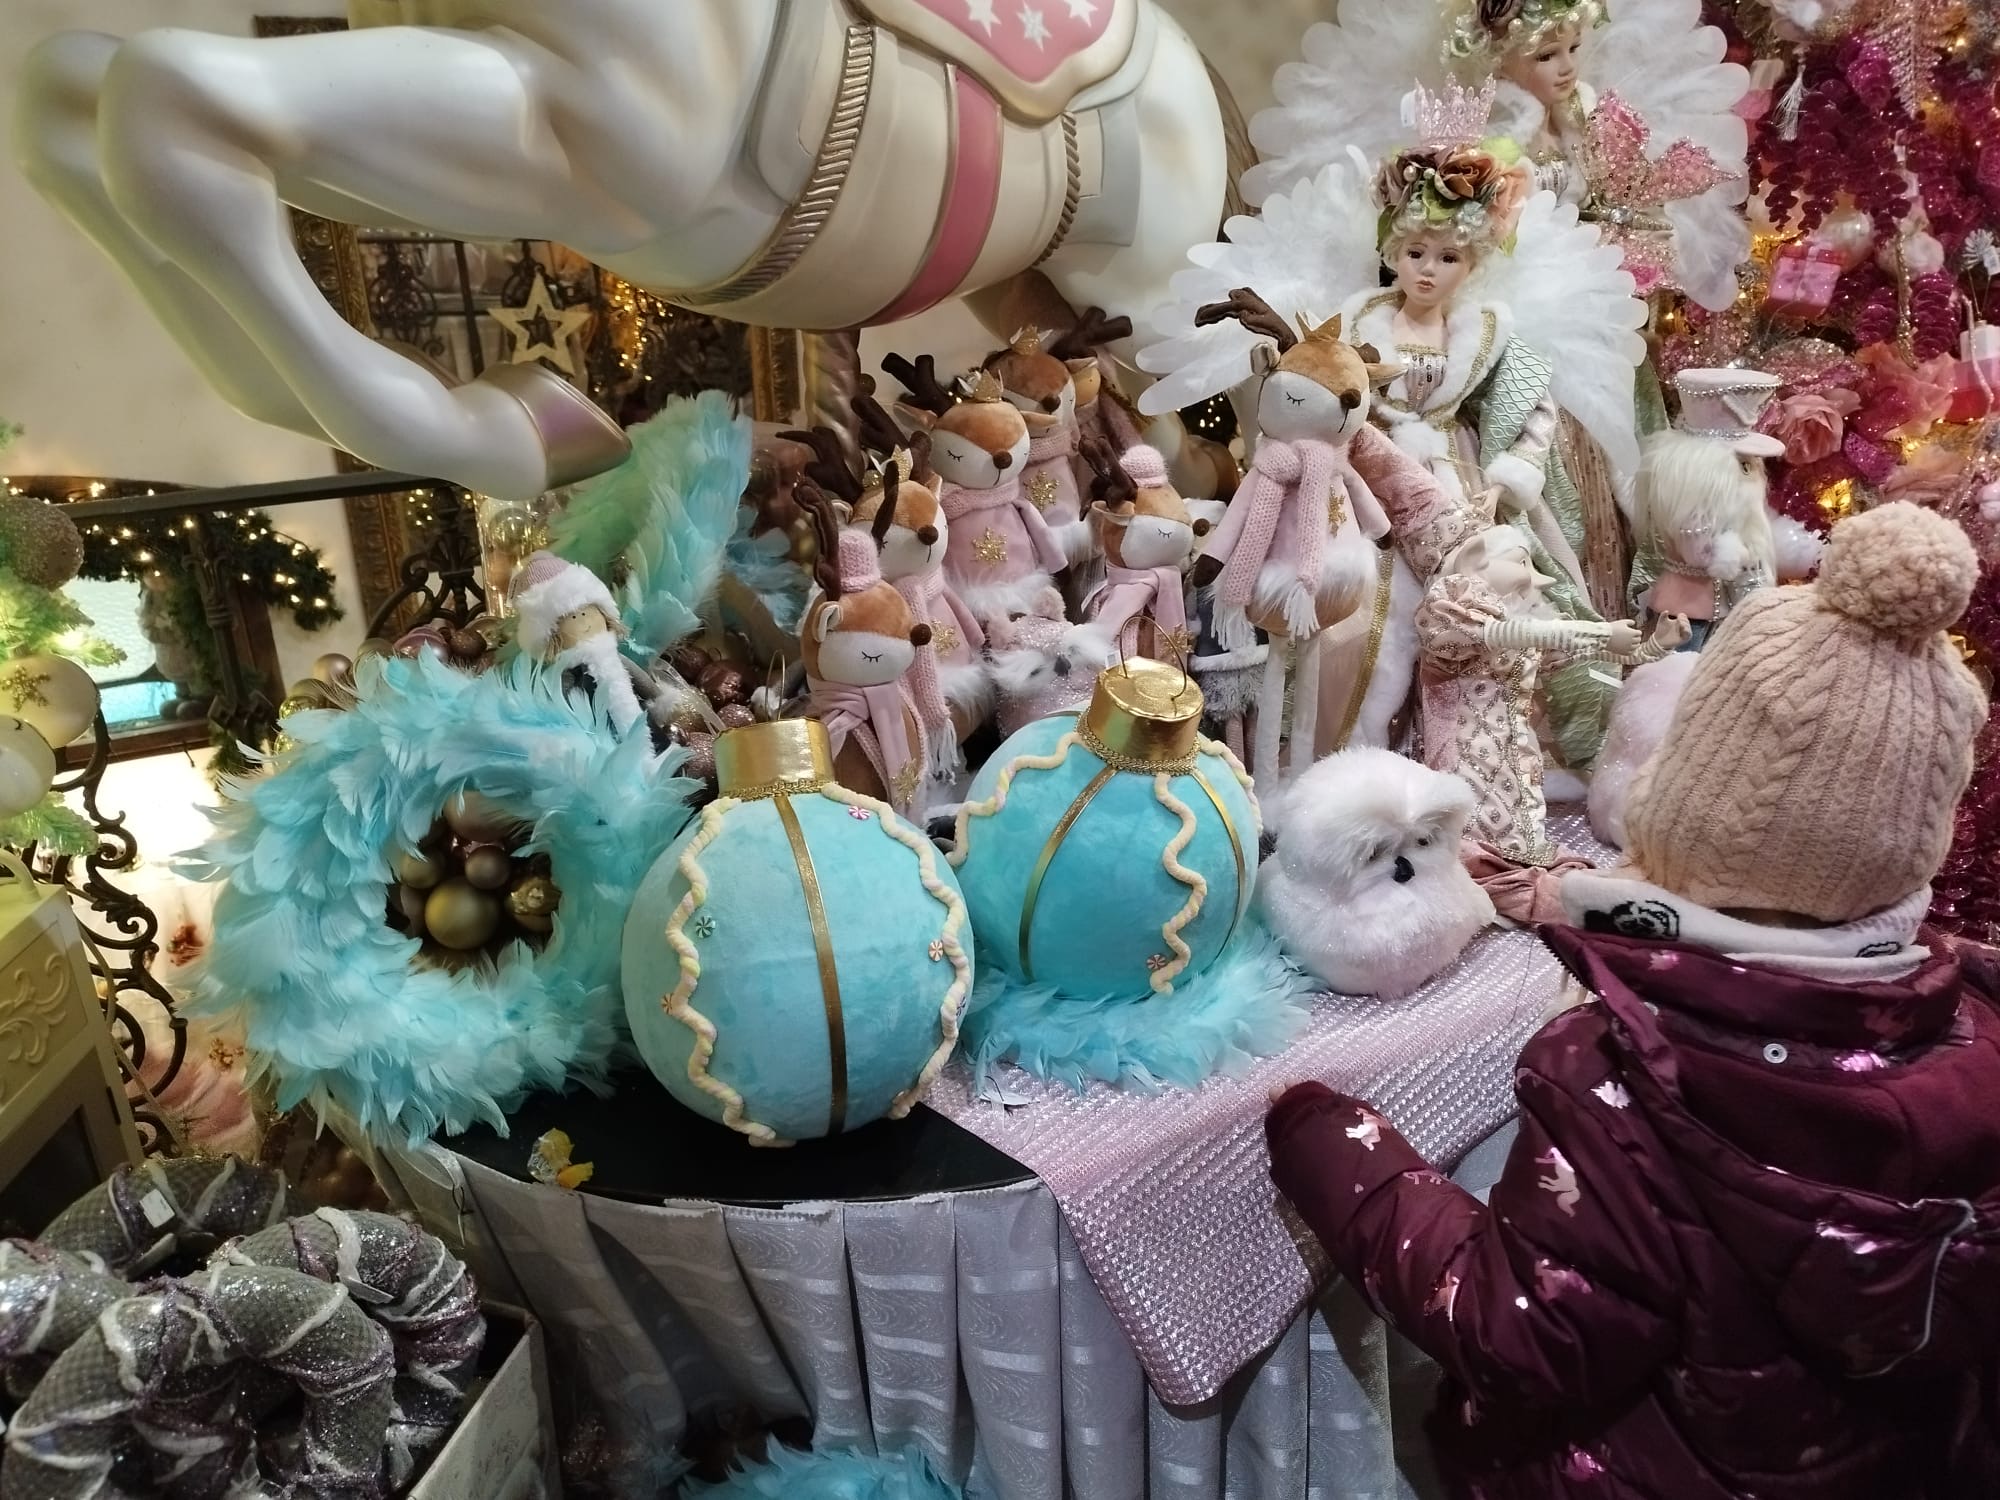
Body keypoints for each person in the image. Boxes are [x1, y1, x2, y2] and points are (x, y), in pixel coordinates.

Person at [1265, 502, 2000, 1498]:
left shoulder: (1623, 1079)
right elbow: (1721, 932)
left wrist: (1340, 1149)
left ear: (1689, 798)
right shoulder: (1968, 1016)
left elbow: (1522, 1328)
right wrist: (1551, 897)